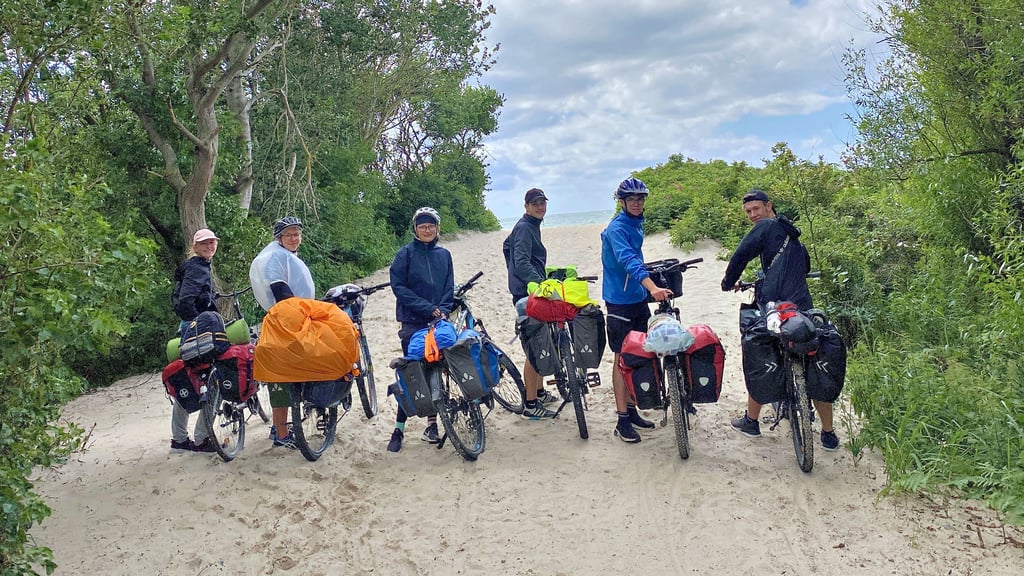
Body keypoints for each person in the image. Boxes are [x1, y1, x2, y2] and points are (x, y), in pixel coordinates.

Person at [720, 189, 839, 451]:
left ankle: (751, 421)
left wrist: (727, 283)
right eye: (748, 212)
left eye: (756, 210)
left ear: (768, 206)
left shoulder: (765, 228)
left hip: (775, 308)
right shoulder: (792, 233)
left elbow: (740, 256)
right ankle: (828, 434)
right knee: (813, 363)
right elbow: (804, 268)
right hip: (803, 308)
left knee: (762, 356)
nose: (753, 216)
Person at [600, 178, 673, 443]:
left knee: (637, 355)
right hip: (620, 301)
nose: (637, 203)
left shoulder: (635, 223)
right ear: (622, 202)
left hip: (636, 298)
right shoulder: (617, 228)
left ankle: (631, 411)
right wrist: (652, 287)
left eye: (640, 199)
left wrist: (648, 287)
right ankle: (621, 420)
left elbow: (638, 259)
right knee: (622, 358)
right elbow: (629, 260)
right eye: (631, 199)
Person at [386, 207, 455, 452]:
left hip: (438, 320)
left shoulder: (444, 255)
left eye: (431, 226)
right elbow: (399, 288)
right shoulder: (404, 254)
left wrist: (444, 309)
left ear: (437, 228)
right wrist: (427, 308)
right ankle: (398, 429)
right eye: (422, 226)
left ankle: (432, 424)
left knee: (437, 369)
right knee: (411, 374)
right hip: (413, 321)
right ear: (415, 229)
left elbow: (449, 287)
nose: (427, 230)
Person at [249, 216, 316, 449]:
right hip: (284, 321)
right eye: (289, 235)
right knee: (284, 374)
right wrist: (298, 312)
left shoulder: (287, 256)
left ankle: (280, 428)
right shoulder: (277, 258)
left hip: (287, 318)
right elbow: (279, 289)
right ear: (279, 238)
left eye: (297, 234)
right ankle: (281, 432)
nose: (294, 238)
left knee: (286, 373)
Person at [502, 188, 559, 419]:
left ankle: (540, 390)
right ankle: (530, 403)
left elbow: (507, 246)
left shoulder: (529, 225)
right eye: (534, 203)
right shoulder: (525, 227)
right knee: (535, 345)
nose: (540, 207)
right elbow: (521, 261)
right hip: (526, 294)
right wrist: (537, 283)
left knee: (541, 340)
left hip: (525, 289)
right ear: (526, 206)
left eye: (542, 203)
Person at [168, 228, 220, 453]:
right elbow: (187, 299)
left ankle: (179, 439)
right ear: (195, 247)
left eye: (212, 242)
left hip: (186, 329)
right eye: (204, 243)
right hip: (196, 330)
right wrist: (199, 322)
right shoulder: (198, 267)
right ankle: (202, 438)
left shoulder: (195, 266)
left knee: (188, 380)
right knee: (213, 381)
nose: (210, 246)